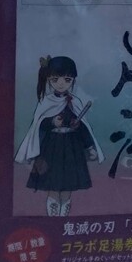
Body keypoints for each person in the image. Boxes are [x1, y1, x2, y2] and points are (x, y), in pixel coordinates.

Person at [15, 54, 104, 217]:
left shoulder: (75, 102)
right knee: (52, 182)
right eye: (55, 79)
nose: (61, 84)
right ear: (49, 80)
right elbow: (38, 125)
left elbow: (84, 128)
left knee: (68, 183)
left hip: (71, 147)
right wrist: (52, 122)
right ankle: (53, 214)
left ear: (73, 80)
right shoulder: (46, 102)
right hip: (51, 147)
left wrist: (87, 142)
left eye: (67, 79)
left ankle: (64, 214)